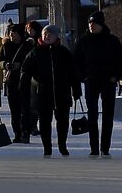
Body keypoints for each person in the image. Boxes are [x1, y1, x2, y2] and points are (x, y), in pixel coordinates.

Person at [20, 24, 81, 156]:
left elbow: (73, 73)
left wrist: (76, 90)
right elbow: (25, 71)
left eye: (50, 34)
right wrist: (23, 88)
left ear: (56, 36)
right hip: (41, 93)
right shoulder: (34, 52)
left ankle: (62, 145)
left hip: (62, 93)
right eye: (44, 34)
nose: (46, 36)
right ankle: (47, 148)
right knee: (45, 122)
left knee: (63, 122)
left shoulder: (64, 52)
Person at [73, 11, 122, 157]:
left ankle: (105, 147)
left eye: (94, 23)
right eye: (90, 23)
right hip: (91, 82)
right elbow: (76, 61)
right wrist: (83, 77)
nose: (91, 26)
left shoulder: (112, 41)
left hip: (108, 82)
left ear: (101, 24)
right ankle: (94, 147)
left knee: (108, 115)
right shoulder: (83, 41)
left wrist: (115, 77)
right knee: (92, 115)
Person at [0, 22, 36, 144]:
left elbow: (33, 62)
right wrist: (5, 65)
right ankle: (17, 134)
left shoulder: (27, 46)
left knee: (25, 108)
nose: (12, 36)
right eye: (10, 34)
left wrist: (21, 66)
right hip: (11, 81)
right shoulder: (5, 45)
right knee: (14, 110)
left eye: (14, 34)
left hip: (25, 81)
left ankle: (25, 133)